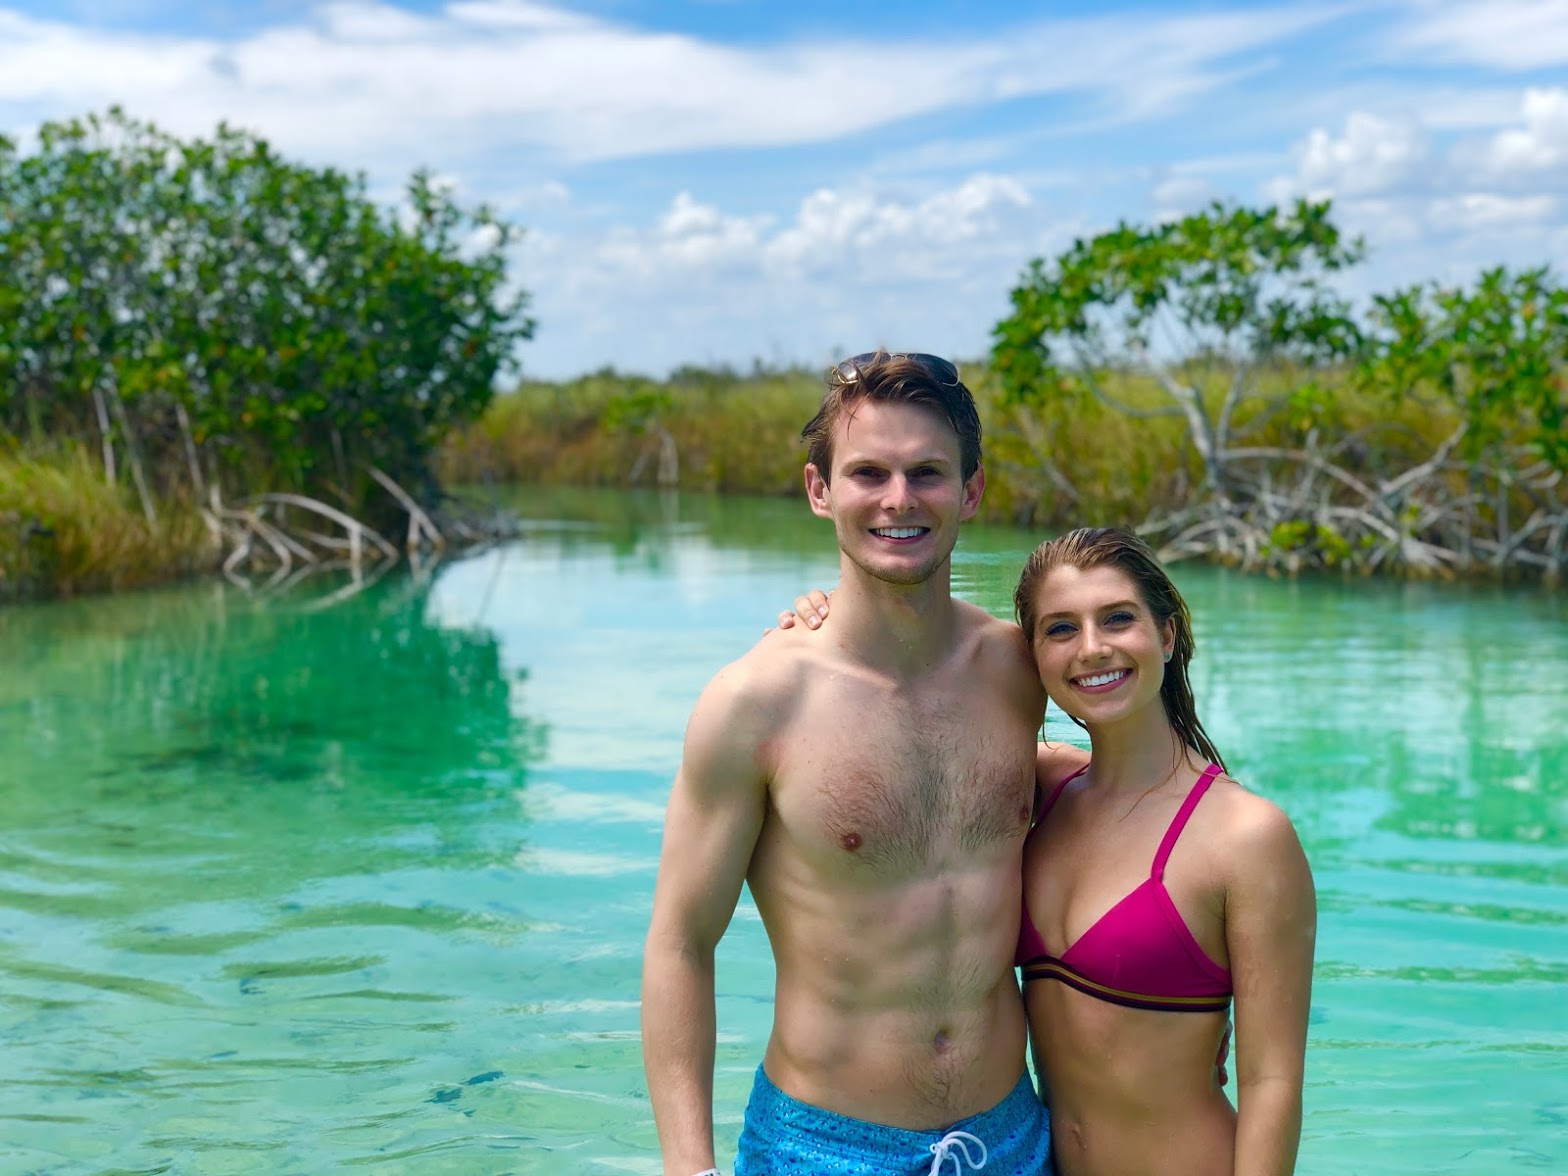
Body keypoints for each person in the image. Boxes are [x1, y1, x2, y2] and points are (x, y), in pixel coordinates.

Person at [641, 351, 1082, 1175]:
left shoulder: (1017, 671)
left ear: (972, 491)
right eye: (868, 473)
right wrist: (690, 1169)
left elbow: (1114, 776)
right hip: (821, 1148)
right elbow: (680, 944)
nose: (898, 499)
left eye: (927, 473)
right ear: (820, 490)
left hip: (1012, 1139)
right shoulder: (757, 702)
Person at [783, 526, 1317, 1175]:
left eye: (1118, 619)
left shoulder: (1245, 836)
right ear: (1033, 655)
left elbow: (1271, 1082)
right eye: (1061, 629)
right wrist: (839, 626)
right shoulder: (1041, 788)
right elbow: (908, 726)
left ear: (1168, 635)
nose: (1092, 648)